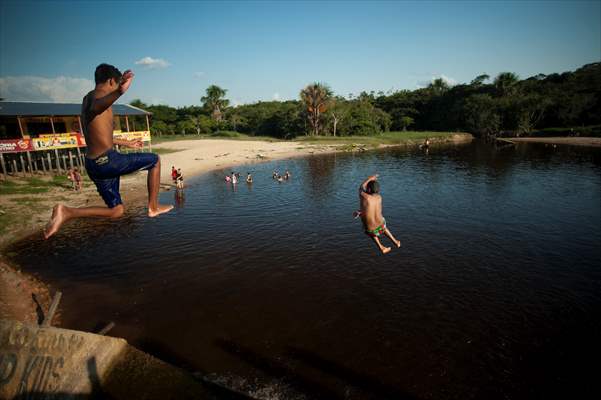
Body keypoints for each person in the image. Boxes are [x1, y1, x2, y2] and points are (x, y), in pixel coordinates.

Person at [44, 64, 173, 239]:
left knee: (116, 211)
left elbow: (99, 134)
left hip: (93, 163)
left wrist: (125, 143)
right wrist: (120, 92)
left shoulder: (86, 98)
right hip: (107, 161)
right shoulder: (98, 98)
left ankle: (67, 212)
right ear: (112, 81)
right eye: (117, 84)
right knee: (155, 160)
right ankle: (153, 207)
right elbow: (96, 107)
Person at [358, 174, 400, 254]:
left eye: (367, 188)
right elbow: (375, 211)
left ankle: (381, 247)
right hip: (381, 225)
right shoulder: (379, 197)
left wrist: (369, 178)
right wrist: (361, 212)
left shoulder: (365, 197)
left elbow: (360, 187)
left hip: (371, 230)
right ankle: (395, 241)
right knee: (383, 226)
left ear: (369, 189)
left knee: (371, 231)